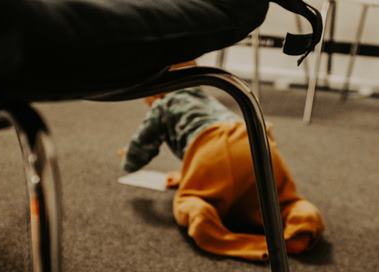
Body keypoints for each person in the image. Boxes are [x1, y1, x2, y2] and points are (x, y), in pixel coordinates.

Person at [119, 69, 324, 261]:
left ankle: (219, 231)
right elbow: (231, 152)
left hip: (211, 148)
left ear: (156, 90)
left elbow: (135, 157)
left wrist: (126, 156)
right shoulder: (206, 98)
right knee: (281, 203)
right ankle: (302, 224)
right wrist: (185, 175)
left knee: (190, 201)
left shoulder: (162, 106)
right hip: (257, 142)